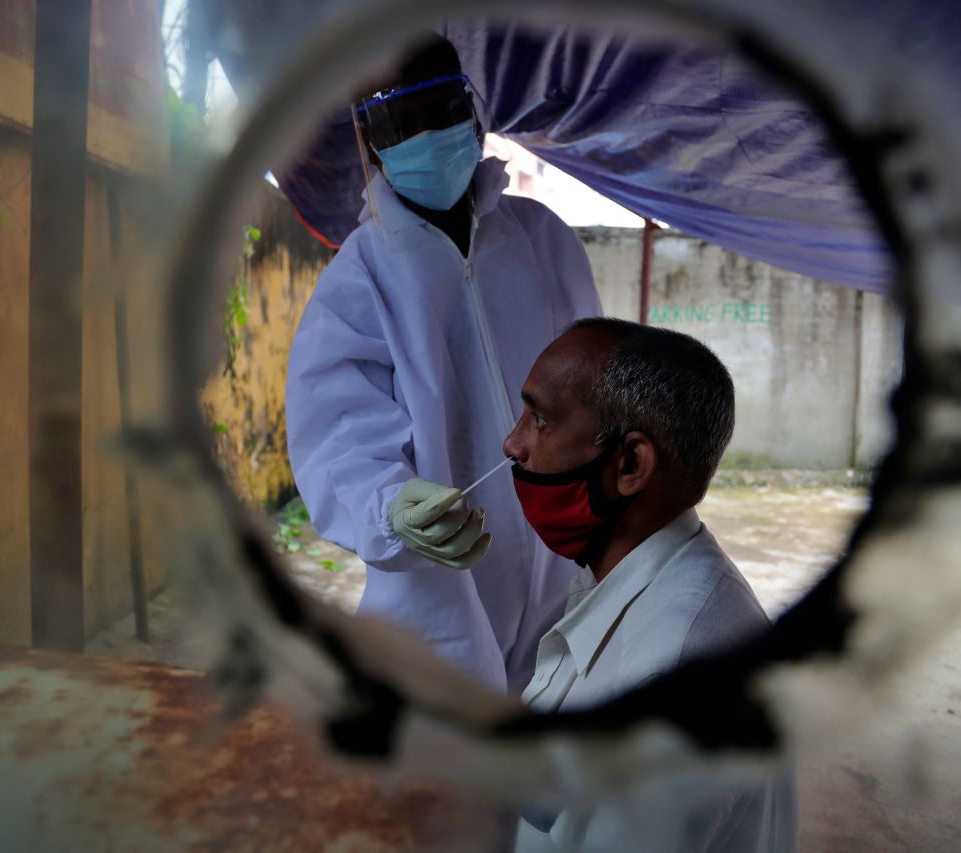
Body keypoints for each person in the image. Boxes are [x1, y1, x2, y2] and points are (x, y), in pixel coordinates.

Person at [285, 34, 601, 693]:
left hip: (562, 575)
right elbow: (339, 435)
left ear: (473, 113)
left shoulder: (543, 241)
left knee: (554, 762)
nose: (432, 135)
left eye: (444, 110)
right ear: (370, 138)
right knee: (445, 779)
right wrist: (390, 506)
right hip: (437, 606)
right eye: (407, 120)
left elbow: (598, 385)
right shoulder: (360, 279)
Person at [503, 318, 796, 852]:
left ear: (631, 463)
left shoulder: (671, 683)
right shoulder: (622, 580)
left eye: (540, 419)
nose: (512, 444)